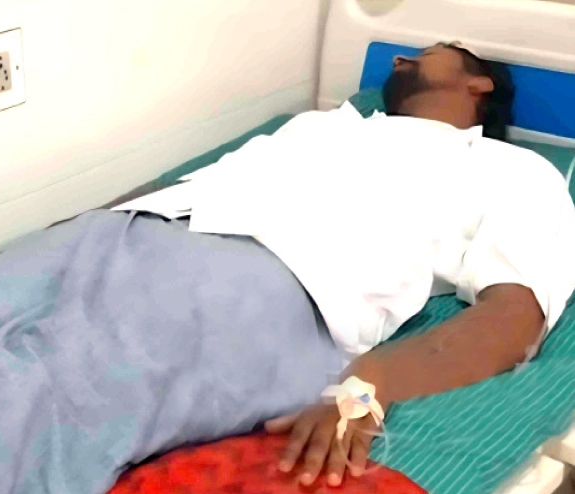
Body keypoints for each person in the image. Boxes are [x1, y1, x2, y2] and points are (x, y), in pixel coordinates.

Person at [114, 42, 575, 487]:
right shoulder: (318, 124)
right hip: (122, 233)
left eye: (429, 53)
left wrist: (371, 381)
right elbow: (190, 186)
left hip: (257, 287)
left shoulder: (515, 168)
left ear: (480, 84)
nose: (399, 57)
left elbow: (514, 316)